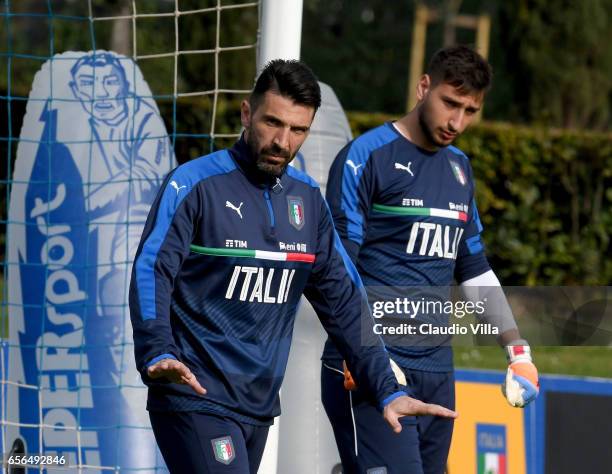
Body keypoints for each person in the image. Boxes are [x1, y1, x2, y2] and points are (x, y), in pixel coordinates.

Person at [129, 59, 457, 474]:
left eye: (298, 130)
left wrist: (386, 389)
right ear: (247, 114)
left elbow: (346, 302)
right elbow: (151, 270)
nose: (282, 141)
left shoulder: (308, 203)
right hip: (194, 395)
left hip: (257, 406)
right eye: (272, 123)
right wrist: (157, 348)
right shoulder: (192, 185)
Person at [321, 46, 540, 474]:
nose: (457, 122)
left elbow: (473, 268)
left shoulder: (460, 170)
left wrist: (518, 351)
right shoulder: (364, 158)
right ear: (424, 87)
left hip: (438, 370)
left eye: (470, 110)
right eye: (450, 104)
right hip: (372, 366)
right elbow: (338, 273)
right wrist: (360, 352)